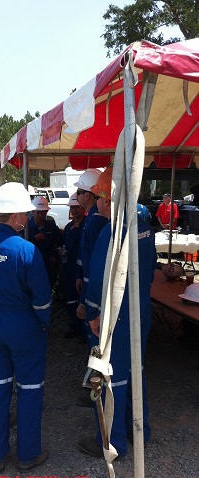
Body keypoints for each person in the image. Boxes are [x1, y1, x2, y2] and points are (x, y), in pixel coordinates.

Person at [0, 182, 51, 473]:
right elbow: (41, 300)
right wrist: (44, 324)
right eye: (25, 213)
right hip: (23, 327)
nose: (27, 217)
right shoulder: (26, 250)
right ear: (14, 216)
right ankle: (28, 454)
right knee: (29, 390)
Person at [78, 169, 156, 458]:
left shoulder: (111, 232)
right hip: (141, 308)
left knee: (114, 377)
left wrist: (94, 314)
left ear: (108, 199)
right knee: (137, 370)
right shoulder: (144, 226)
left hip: (118, 313)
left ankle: (113, 442)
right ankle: (141, 431)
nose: (98, 203)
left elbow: (98, 278)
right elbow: (152, 266)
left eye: (99, 197)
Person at [74, 168, 108, 341]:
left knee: (94, 328)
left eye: (79, 192)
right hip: (90, 282)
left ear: (88, 195)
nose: (77, 195)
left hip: (95, 287)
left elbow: (94, 265)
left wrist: (84, 300)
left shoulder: (96, 221)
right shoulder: (92, 218)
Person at [61, 192, 86, 338]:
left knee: (82, 299)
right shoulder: (68, 227)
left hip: (82, 268)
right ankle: (74, 326)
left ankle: (84, 330)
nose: (74, 210)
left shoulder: (87, 225)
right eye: (72, 207)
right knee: (70, 298)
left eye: (76, 207)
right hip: (68, 268)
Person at [28, 196, 62, 288]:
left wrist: (55, 256)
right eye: (38, 213)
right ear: (33, 212)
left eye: (43, 213)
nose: (40, 216)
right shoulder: (26, 228)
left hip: (48, 267)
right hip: (32, 266)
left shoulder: (52, 227)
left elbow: (60, 243)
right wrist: (34, 239)